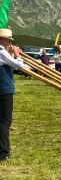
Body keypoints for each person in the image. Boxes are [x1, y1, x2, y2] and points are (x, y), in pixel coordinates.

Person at [0, 28, 25, 162]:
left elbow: (8, 65)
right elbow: (18, 66)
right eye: (8, 40)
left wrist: (12, 54)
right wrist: (17, 54)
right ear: (2, 40)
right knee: (4, 121)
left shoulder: (3, 53)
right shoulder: (2, 52)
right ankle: (3, 153)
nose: (10, 43)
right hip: (4, 90)